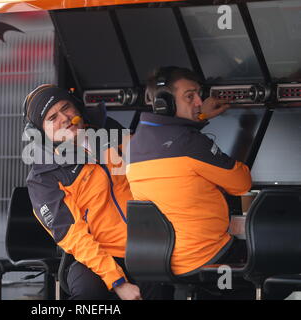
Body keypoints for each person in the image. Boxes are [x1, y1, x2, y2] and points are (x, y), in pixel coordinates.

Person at [24, 84, 168, 300]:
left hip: (146, 245)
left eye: (66, 108)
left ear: (77, 109)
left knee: (163, 285)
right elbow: (74, 237)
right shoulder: (43, 179)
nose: (64, 118)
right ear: (41, 132)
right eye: (52, 118)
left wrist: (191, 121)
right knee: (88, 292)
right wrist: (118, 282)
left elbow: (157, 153)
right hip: (94, 255)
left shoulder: (108, 131)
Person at [126, 66, 252, 279]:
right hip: (208, 257)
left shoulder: (134, 143)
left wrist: (198, 119)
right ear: (165, 103)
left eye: (198, 95)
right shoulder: (192, 144)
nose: (199, 103)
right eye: (190, 96)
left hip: (159, 261)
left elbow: (173, 144)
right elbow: (242, 183)